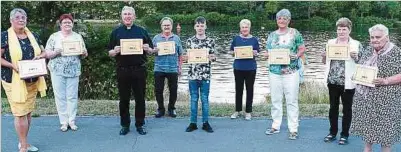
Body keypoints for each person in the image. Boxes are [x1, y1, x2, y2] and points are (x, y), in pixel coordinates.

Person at [1, 8, 47, 152]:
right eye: (18, 17)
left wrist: (41, 56)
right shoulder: (4, 36)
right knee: (20, 113)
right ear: (11, 20)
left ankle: (24, 143)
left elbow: (43, 51)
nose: (21, 20)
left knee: (27, 112)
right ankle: (23, 147)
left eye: (24, 17)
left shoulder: (33, 35)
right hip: (13, 80)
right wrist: (12, 65)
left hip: (32, 79)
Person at [351, 24, 401, 152]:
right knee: (368, 131)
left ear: (387, 37)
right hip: (367, 99)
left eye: (378, 37)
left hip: (387, 101)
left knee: (386, 135)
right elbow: (362, 66)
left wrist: (386, 81)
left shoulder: (396, 52)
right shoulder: (368, 49)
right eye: (372, 37)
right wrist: (356, 76)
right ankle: (367, 149)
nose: (374, 40)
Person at [107, 6, 153, 136]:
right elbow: (109, 52)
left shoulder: (142, 31)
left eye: (130, 14)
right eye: (125, 14)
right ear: (122, 17)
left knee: (140, 98)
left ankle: (140, 124)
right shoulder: (116, 32)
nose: (127, 16)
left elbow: (151, 50)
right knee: (124, 99)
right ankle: (125, 125)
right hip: (123, 70)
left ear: (134, 16)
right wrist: (114, 51)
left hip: (139, 69)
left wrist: (147, 48)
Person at [262, 9, 306, 140]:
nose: (281, 20)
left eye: (284, 18)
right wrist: (265, 55)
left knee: (291, 100)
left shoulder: (295, 33)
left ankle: (293, 128)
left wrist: (297, 55)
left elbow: (302, 48)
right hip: (274, 72)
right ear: (276, 20)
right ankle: (275, 125)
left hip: (291, 71)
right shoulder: (271, 35)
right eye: (279, 18)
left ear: (289, 20)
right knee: (275, 99)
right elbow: (267, 51)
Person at [321, 17, 362, 145]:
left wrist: (356, 57)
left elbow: (363, 62)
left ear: (349, 30)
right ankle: (332, 132)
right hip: (332, 81)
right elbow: (324, 61)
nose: (341, 32)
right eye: (339, 29)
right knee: (333, 108)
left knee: (347, 109)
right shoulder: (330, 42)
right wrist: (323, 57)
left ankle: (344, 135)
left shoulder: (356, 44)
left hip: (348, 83)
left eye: (344, 29)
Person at [45, 14, 88, 132]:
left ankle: (72, 121)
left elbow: (84, 54)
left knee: (72, 96)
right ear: (60, 24)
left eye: (69, 22)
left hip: (73, 70)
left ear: (72, 24)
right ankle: (63, 122)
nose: (67, 24)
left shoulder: (78, 37)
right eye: (65, 22)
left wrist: (84, 53)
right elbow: (47, 54)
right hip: (57, 70)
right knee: (60, 96)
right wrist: (55, 53)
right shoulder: (54, 37)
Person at [183, 16, 216, 133]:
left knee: (205, 99)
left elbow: (214, 57)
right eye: (198, 26)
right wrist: (185, 58)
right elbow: (186, 58)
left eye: (202, 25)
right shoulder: (189, 41)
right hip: (192, 75)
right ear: (194, 27)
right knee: (193, 99)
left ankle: (205, 123)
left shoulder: (211, 41)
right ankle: (193, 123)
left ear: (205, 26)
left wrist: (213, 57)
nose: (200, 28)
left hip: (205, 75)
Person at [150, 17, 183, 118]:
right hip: (159, 68)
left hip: (173, 68)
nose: (166, 27)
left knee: (173, 90)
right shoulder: (156, 38)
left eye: (168, 25)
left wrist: (180, 67)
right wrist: (153, 51)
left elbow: (180, 54)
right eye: (164, 25)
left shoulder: (177, 38)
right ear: (161, 26)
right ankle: (161, 109)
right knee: (158, 90)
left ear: (171, 26)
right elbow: (150, 52)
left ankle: (171, 109)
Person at [229, 19, 260, 120]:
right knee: (238, 89)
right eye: (243, 27)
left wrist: (256, 53)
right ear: (240, 28)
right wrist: (234, 52)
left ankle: (248, 112)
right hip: (238, 68)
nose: (244, 29)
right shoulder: (236, 39)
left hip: (251, 68)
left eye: (246, 27)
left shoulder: (254, 40)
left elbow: (258, 52)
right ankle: (237, 110)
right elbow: (230, 52)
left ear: (249, 28)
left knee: (249, 90)